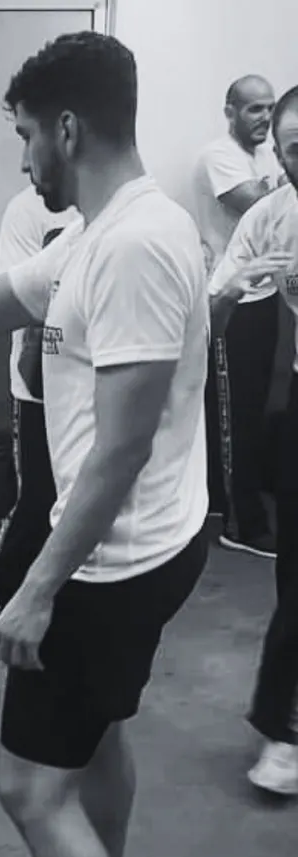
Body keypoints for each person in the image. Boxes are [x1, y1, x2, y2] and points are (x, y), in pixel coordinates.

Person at [0, 33, 209, 857]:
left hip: (112, 567)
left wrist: (35, 590)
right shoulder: (97, 237)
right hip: (131, 549)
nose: (24, 159)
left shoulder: (137, 245)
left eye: (27, 135)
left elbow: (121, 448)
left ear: (67, 129)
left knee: (27, 789)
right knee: (94, 736)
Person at [208, 83, 298, 797]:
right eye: (294, 149)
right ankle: (283, 728)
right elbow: (214, 309)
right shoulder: (271, 215)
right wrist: (234, 288)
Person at [0, 186, 80, 636]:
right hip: (37, 383)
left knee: (85, 496)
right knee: (38, 499)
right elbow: (16, 297)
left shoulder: (118, 211)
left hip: (90, 385)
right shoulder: (25, 210)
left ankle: (68, 599)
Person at [194, 75, 284, 558]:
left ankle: (231, 501)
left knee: (251, 410)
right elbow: (258, 204)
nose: (264, 117)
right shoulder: (218, 155)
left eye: (269, 108)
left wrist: (275, 184)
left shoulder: (268, 157)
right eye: (254, 109)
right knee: (233, 415)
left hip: (264, 294)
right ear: (230, 112)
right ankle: (239, 521)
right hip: (229, 301)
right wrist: (277, 187)